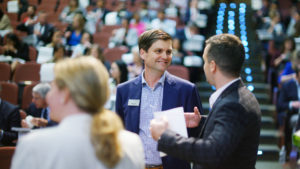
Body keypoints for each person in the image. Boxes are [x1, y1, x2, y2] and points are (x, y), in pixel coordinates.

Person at [150, 34, 261, 169]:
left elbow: (212, 153)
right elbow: (230, 134)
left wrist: (165, 136)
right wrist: (202, 123)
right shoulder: (242, 95)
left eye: (205, 61)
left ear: (212, 65)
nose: (204, 67)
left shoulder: (232, 105)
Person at [11, 57, 144, 169]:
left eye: (52, 88)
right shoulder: (132, 142)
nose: (48, 96)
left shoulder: (33, 145)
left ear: (65, 94)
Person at [116, 29, 203, 169]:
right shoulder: (124, 90)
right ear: (143, 53)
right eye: (158, 51)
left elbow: (197, 141)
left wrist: (197, 126)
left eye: (168, 52)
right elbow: (119, 134)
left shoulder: (187, 90)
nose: (165, 56)